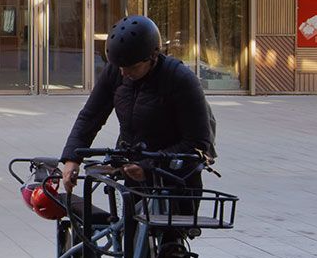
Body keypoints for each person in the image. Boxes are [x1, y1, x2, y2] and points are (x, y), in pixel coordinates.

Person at [59, 15, 215, 193]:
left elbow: (197, 142)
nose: (124, 73)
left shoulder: (180, 79)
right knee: (125, 219)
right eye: (120, 67)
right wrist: (72, 157)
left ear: (153, 56)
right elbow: (90, 117)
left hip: (176, 180)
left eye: (132, 67)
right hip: (132, 173)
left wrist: (149, 167)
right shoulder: (115, 72)